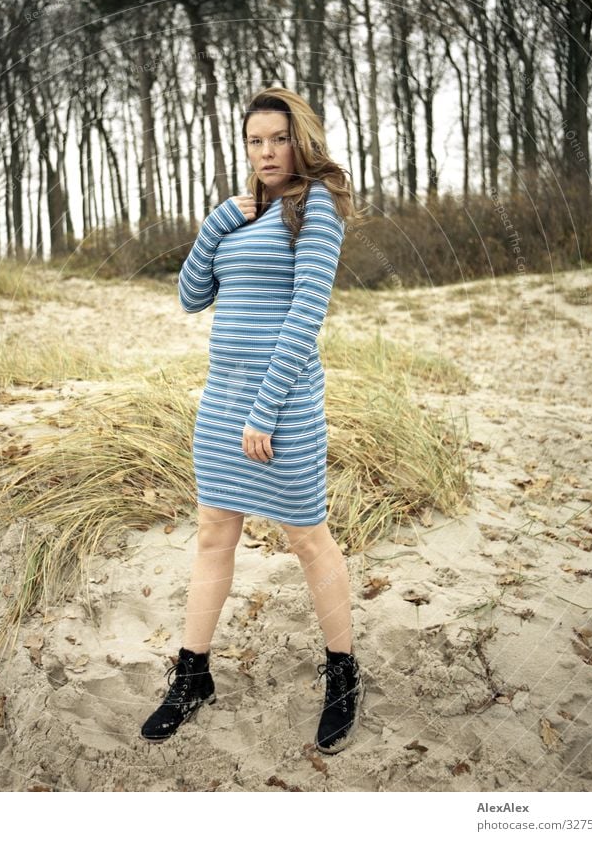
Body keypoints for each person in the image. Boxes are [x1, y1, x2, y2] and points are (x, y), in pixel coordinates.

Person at [140, 86, 363, 755]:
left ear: (301, 138)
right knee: (214, 534)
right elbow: (190, 295)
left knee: (307, 538)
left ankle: (345, 675)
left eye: (277, 138)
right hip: (221, 401)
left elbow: (305, 314)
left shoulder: (315, 203)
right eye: (254, 141)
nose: (266, 152)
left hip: (281, 401)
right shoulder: (246, 211)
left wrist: (266, 409)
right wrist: (216, 224)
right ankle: (193, 676)